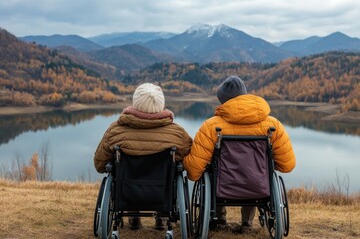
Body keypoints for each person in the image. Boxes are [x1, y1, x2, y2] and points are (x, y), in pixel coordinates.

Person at [183, 75, 296, 232]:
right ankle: (247, 224)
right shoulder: (273, 125)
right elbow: (288, 165)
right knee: (255, 172)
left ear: (223, 100)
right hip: (257, 186)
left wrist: (189, 170)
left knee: (214, 170)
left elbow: (194, 170)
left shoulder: (211, 127)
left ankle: (220, 220)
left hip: (222, 186)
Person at [94, 83, 192, 230]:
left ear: (136, 103)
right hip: (161, 192)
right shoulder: (177, 133)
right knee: (171, 171)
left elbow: (99, 164)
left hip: (127, 191)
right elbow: (189, 154)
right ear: (161, 104)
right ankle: (162, 218)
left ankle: (133, 217)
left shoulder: (115, 131)